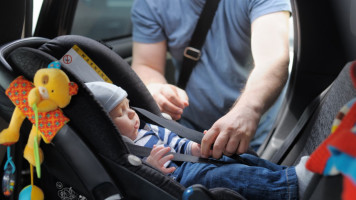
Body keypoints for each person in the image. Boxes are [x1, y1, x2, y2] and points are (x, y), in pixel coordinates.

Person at [85, 81, 312, 199]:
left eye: (129, 107)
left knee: (239, 158)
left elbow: (176, 142)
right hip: (178, 179)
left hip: (190, 163)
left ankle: (286, 174)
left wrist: (196, 148)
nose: (132, 114)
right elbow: (138, 179)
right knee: (226, 176)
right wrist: (152, 167)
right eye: (120, 114)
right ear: (106, 128)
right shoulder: (126, 154)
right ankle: (291, 187)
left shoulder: (150, 129)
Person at [130, 0, 292, 157]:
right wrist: (155, 87)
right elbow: (146, 65)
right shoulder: (151, 3)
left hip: (259, 130)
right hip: (191, 132)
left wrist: (249, 110)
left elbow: (273, 59)